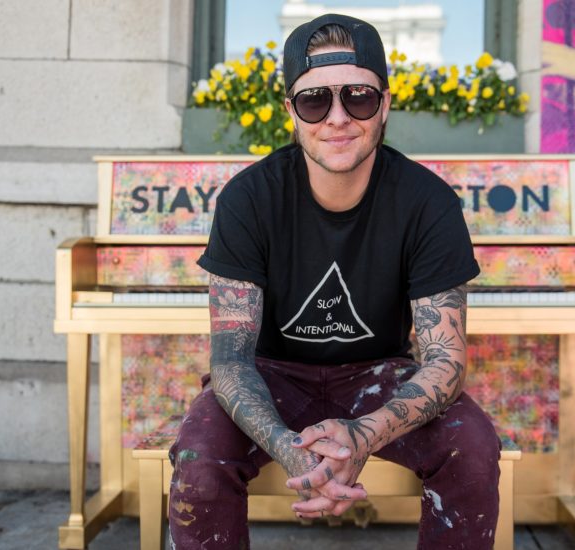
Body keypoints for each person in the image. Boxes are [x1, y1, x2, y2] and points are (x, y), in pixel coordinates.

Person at [168, 13, 501, 549]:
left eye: (359, 98)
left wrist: (362, 435)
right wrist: (290, 449)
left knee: (474, 445)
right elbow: (230, 361)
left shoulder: (428, 203)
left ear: (385, 105)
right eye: (315, 100)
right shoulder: (248, 198)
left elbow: (445, 362)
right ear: (291, 114)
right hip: (270, 377)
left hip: (379, 375)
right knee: (199, 453)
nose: (338, 118)